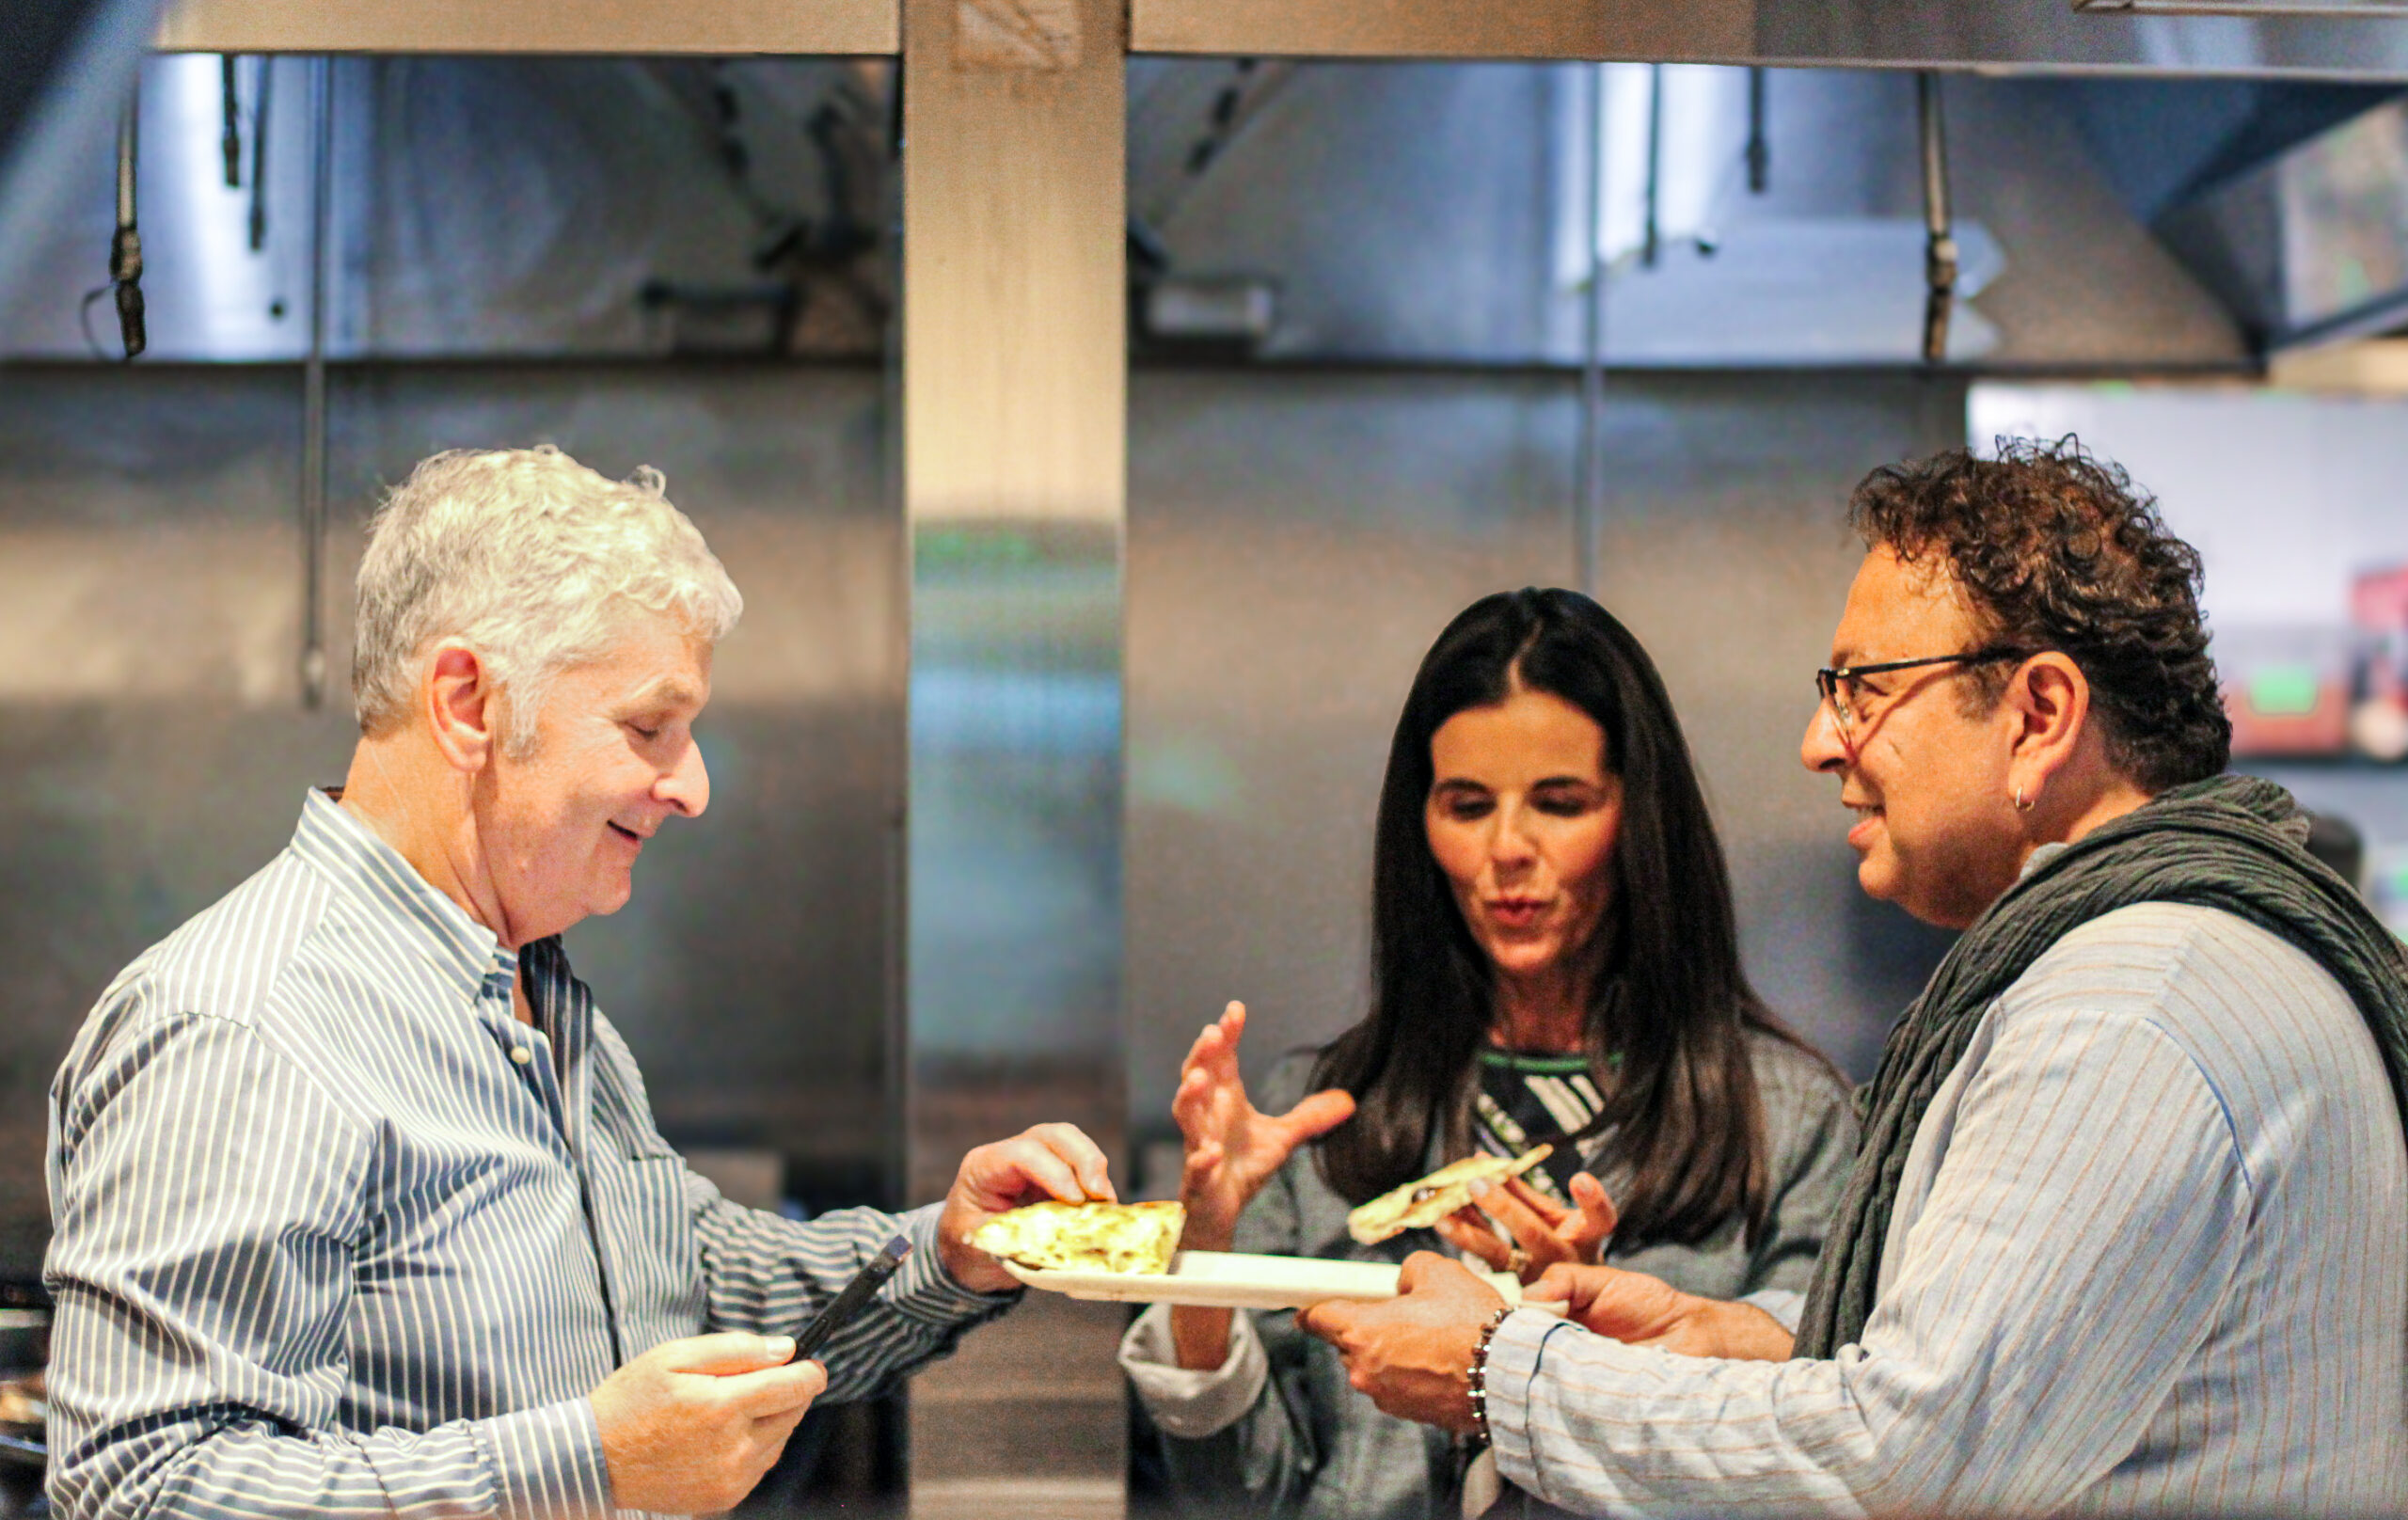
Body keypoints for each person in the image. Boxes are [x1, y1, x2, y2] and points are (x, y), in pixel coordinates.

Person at [1303, 439, 2408, 1515]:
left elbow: (1907, 1464)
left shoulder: (2125, 1013)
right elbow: (2018, 1383)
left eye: (1863, 689)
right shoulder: (2176, 958)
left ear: (2037, 716)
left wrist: (1502, 1370)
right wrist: (1755, 1336)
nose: (1819, 741)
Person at [43, 447, 1117, 1520]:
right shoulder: (247, 1024)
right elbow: (141, 1488)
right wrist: (588, 1464)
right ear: (467, 703)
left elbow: (677, 1276)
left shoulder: (538, 994)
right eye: (650, 726)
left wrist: (947, 1246)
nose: (692, 787)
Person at [1119, 588, 1858, 1519]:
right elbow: (1235, 1496)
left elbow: (1820, 1458)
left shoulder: (1784, 1118)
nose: (1507, 848)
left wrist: (1575, 1354)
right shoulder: (1324, 1109)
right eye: (1466, 804)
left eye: (1559, 801)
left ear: (1637, 815)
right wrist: (1207, 1247)